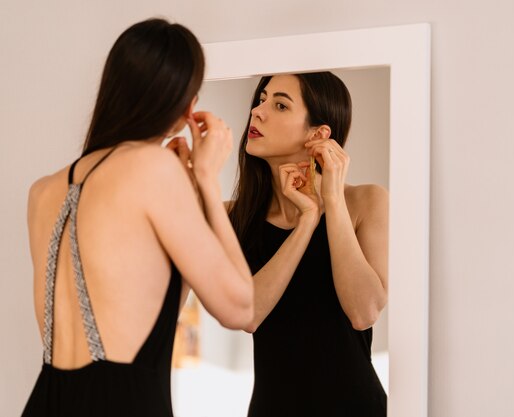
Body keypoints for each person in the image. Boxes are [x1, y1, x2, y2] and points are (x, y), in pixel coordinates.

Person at [22, 18, 253, 417]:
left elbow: (147, 314)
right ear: (185, 105)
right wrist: (207, 181)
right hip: (123, 402)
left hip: (45, 399)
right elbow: (240, 309)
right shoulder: (152, 169)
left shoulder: (42, 192)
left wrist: (190, 197)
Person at [228, 73, 388, 416]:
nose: (258, 112)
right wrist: (306, 222)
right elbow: (249, 314)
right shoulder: (233, 216)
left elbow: (364, 313)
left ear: (318, 135)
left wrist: (332, 199)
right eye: (261, 99)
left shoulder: (367, 201)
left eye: (280, 104)